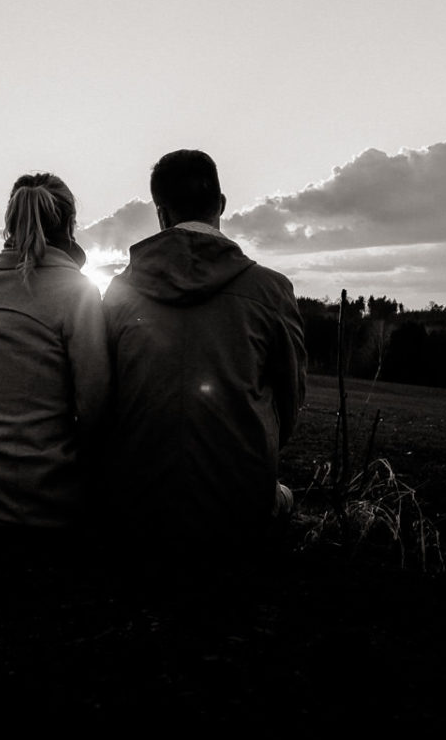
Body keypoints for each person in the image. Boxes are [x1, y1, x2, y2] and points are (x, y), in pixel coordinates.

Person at [99, 149, 307, 541]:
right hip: (239, 515)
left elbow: (102, 398)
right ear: (222, 205)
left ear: (161, 213)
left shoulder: (119, 292)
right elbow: (288, 408)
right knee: (284, 499)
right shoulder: (273, 291)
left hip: (134, 510)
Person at [0, 173, 112, 528]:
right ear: (71, 225)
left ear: (9, 225)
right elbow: (96, 409)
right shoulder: (77, 292)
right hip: (36, 498)